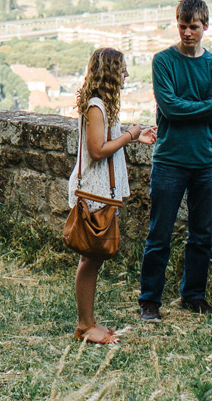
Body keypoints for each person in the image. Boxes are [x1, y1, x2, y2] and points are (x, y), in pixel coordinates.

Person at [139, 0, 212, 322]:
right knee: (159, 233)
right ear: (176, 24)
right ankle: (149, 300)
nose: (188, 32)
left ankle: (194, 295)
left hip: (205, 160)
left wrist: (193, 106)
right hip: (171, 160)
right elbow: (171, 107)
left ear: (205, 26)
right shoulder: (163, 61)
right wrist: (206, 106)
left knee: (201, 234)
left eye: (194, 26)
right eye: (182, 26)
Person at [69, 47, 157, 344]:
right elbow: (97, 150)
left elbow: (105, 141)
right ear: (110, 73)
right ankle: (84, 325)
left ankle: (89, 322)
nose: (126, 75)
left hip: (99, 192)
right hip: (94, 193)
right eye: (122, 69)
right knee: (90, 259)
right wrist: (130, 135)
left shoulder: (101, 105)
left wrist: (135, 136)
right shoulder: (96, 106)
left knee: (92, 258)